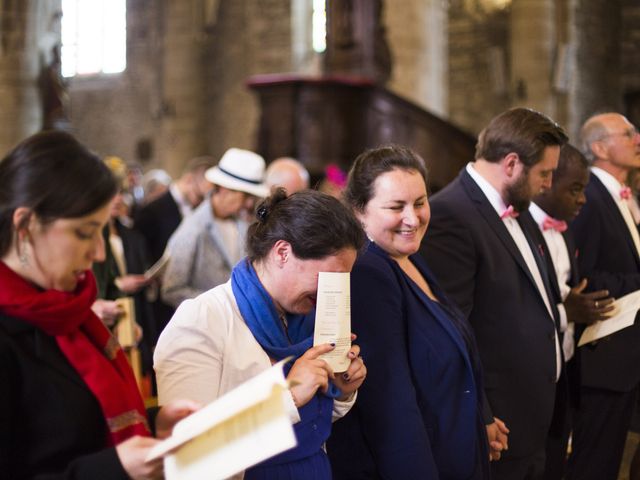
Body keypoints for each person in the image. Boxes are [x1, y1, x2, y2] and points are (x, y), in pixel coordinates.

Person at [0, 130, 198, 479]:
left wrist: (155, 428)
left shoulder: (68, 311)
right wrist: (116, 468)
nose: (99, 253)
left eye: (102, 233)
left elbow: (84, 427)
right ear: (26, 225)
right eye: (84, 232)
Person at [154, 189, 367, 479]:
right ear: (282, 252)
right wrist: (287, 395)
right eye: (329, 278)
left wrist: (342, 390)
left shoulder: (307, 317)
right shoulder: (202, 321)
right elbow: (186, 459)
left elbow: (309, 425)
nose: (334, 292)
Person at [420, 107, 569, 479]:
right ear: (512, 163)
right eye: (544, 173)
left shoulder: (518, 208)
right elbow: (451, 331)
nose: (548, 184)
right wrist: (480, 415)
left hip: (535, 416)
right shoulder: (451, 216)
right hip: (498, 425)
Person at [326, 144, 491, 479]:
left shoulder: (407, 256)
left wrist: (479, 420)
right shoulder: (368, 270)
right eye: (395, 206)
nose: (412, 218)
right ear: (359, 211)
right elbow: (390, 404)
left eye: (420, 202)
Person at [528, 143, 615, 479]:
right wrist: (566, 310)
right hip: (532, 373)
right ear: (547, 182)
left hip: (564, 368)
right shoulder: (522, 229)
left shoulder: (563, 233)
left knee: (554, 463)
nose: (582, 199)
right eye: (575, 189)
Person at [566, 112, 640, 480]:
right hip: (605, 352)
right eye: (627, 133)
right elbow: (583, 274)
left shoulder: (626, 196)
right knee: (595, 461)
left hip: (628, 351)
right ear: (599, 147)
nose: (637, 138)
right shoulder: (590, 195)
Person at [161, 148, 269, 308]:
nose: (249, 203)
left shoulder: (243, 224)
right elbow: (171, 290)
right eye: (245, 196)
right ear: (225, 189)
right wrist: (219, 304)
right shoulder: (193, 229)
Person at [133, 155, 214, 340]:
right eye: (199, 195)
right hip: (159, 304)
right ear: (188, 180)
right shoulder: (153, 210)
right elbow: (139, 251)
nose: (201, 202)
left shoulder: (196, 210)